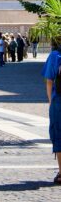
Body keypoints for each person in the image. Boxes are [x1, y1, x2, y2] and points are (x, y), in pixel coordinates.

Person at [43, 38, 61, 184]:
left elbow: (49, 81)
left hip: (59, 101)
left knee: (59, 135)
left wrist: (50, 101)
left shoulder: (55, 55)